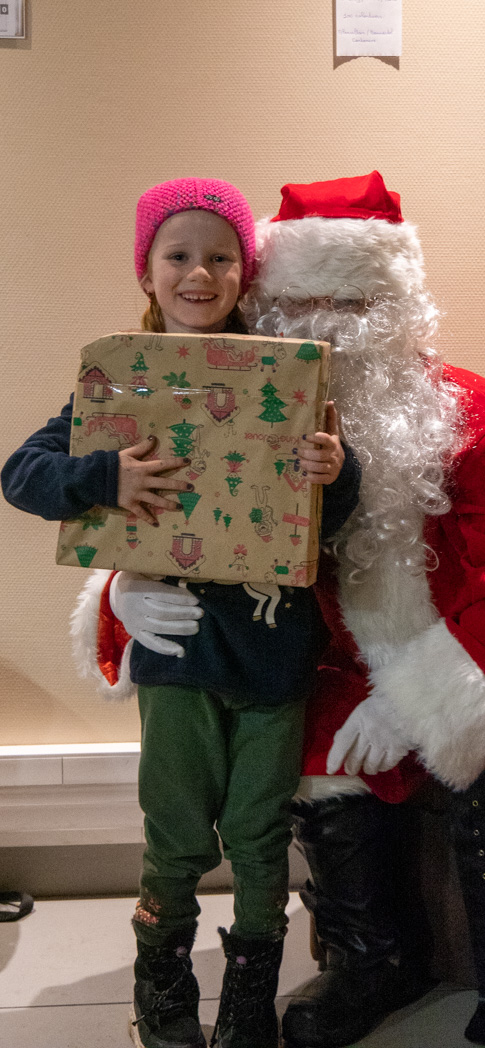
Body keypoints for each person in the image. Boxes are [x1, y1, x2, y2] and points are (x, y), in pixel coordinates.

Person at [71, 172, 485, 1048]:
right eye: (300, 302)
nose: (326, 325)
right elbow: (168, 515)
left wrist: (419, 702)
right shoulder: (239, 412)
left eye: (353, 302)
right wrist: (124, 589)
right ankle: (373, 960)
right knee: (311, 747)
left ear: (399, 306)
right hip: (339, 656)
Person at [1, 176, 361, 1048]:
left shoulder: (286, 374)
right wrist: (106, 475)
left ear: (244, 270)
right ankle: (161, 988)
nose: (200, 274)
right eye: (179, 255)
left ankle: (248, 1000)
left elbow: (332, 515)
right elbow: (23, 474)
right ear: (147, 270)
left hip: (274, 652)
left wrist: (335, 470)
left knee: (260, 833)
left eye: (221, 256)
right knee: (175, 833)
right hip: (178, 654)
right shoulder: (122, 382)